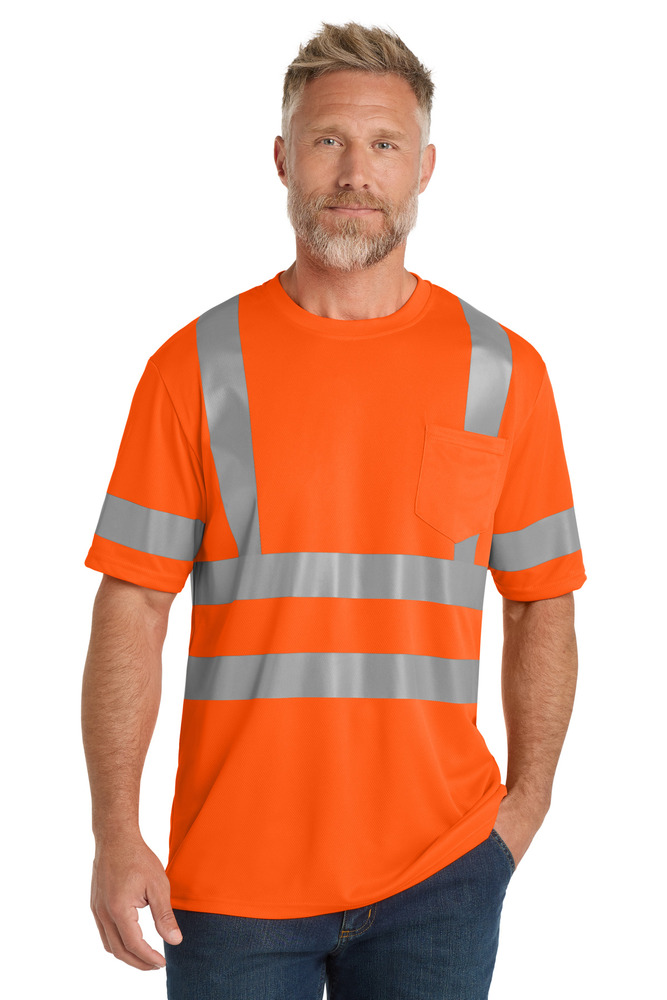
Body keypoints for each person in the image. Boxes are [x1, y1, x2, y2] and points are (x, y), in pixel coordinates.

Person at [82, 21, 586, 1000]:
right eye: (328, 140)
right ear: (282, 158)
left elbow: (541, 600)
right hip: (230, 878)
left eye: (384, 144)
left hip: (443, 873)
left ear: (423, 167)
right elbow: (132, 604)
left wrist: (522, 812)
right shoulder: (194, 367)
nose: (356, 171)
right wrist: (113, 831)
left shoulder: (502, 370)